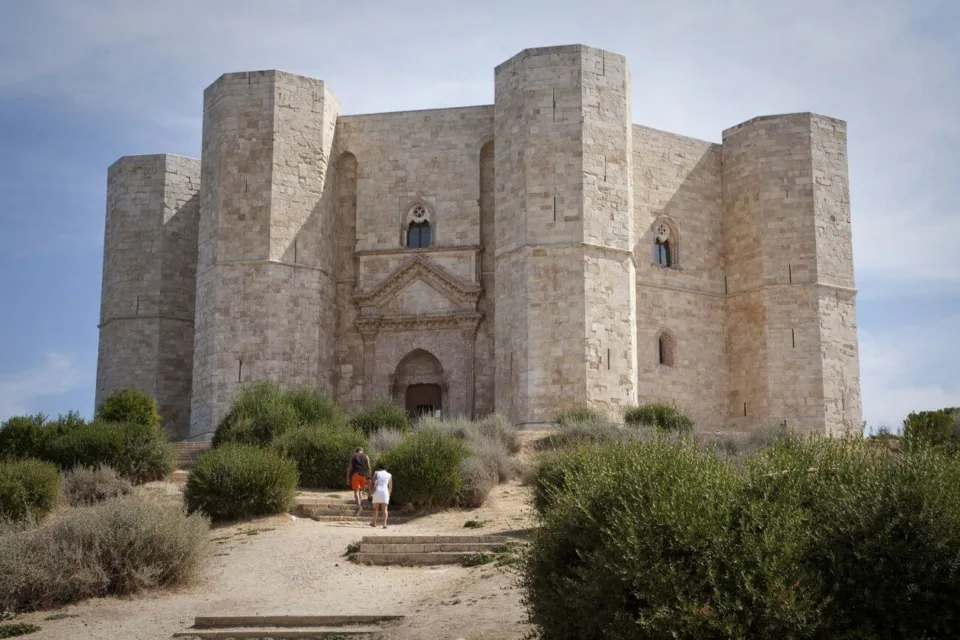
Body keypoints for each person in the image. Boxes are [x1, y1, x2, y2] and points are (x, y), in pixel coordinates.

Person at [346, 447, 371, 516]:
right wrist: (369, 477)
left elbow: (349, 468)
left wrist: (348, 478)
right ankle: (360, 505)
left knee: (356, 491)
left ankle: (359, 506)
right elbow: (369, 467)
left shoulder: (353, 456)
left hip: (356, 474)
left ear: (356, 451)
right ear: (362, 451)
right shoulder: (366, 456)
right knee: (361, 491)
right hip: (363, 475)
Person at [370, 462, 393, 529]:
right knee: (385, 509)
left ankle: (374, 523)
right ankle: (384, 524)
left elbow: (372, 482)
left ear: (380, 468)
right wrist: (389, 495)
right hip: (385, 492)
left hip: (377, 491)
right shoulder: (389, 475)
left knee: (375, 509)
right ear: (386, 469)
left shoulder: (376, 473)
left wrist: (370, 492)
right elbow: (390, 487)